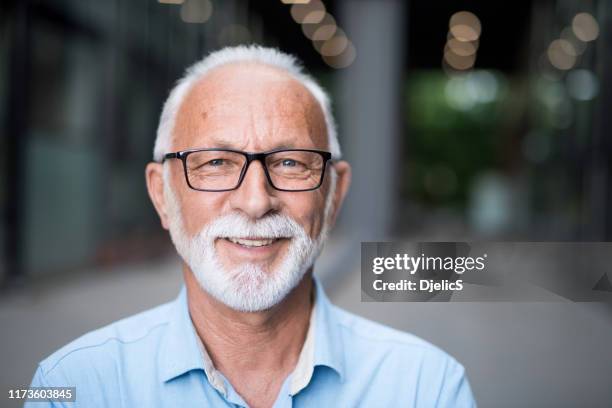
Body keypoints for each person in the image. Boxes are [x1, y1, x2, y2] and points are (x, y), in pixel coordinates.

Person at [27, 45, 476, 407]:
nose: (256, 201)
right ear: (162, 195)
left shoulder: (427, 388)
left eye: (290, 163)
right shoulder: (73, 388)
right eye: (217, 163)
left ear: (334, 195)